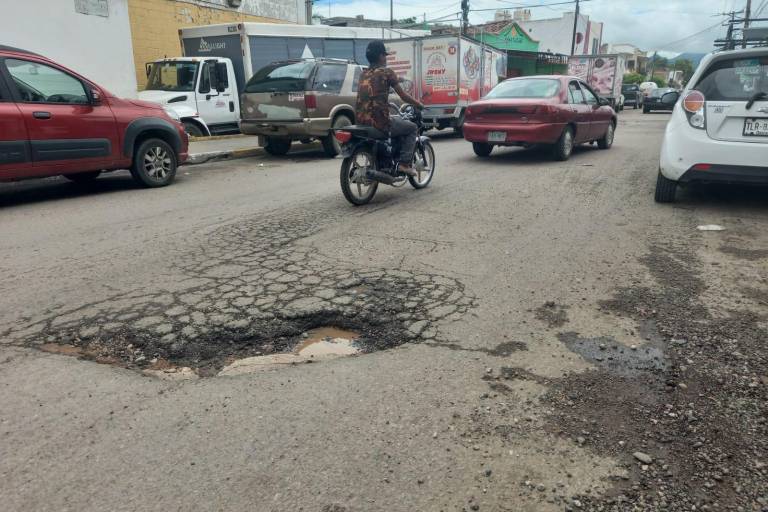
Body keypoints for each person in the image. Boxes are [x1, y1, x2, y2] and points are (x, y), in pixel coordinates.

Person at [356, 40, 424, 176]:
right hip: (380, 122)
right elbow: (403, 96)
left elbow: (382, 79)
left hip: (361, 121)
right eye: (385, 56)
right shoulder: (387, 72)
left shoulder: (363, 73)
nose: (386, 59)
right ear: (381, 56)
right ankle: (404, 164)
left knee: (397, 123)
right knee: (411, 128)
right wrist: (419, 104)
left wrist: (399, 79)